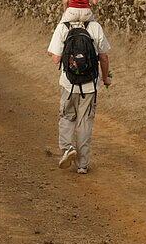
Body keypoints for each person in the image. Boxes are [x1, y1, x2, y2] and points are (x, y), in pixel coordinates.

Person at [47, 14, 111, 174]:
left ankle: (67, 148)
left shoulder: (63, 26)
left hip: (69, 85)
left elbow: (55, 58)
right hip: (90, 85)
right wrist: (105, 77)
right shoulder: (95, 27)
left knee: (67, 117)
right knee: (85, 122)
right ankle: (82, 164)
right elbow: (103, 57)